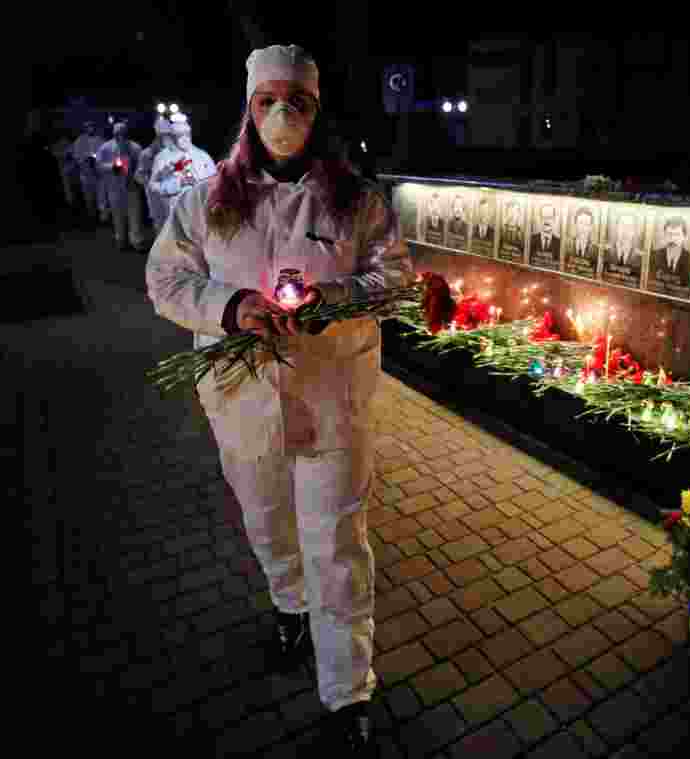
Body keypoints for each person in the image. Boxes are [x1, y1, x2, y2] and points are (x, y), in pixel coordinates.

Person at [145, 44, 413, 754]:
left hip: (332, 401)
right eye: (267, 100)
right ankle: (290, 606)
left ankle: (347, 692)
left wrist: (336, 297)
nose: (282, 113)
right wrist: (231, 307)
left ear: (318, 109)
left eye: (296, 99)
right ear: (248, 108)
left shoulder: (357, 200)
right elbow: (165, 282)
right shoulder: (207, 202)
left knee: (338, 544)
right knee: (268, 523)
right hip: (242, 402)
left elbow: (395, 280)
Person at [149, 118, 217, 221]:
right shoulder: (162, 157)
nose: (185, 138)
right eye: (180, 135)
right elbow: (153, 185)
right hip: (176, 212)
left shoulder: (203, 156)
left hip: (200, 210)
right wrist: (177, 184)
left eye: (187, 134)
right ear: (173, 137)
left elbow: (215, 181)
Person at [96, 122, 146, 251]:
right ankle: (120, 239)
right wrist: (112, 167)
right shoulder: (106, 147)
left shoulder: (135, 147)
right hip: (114, 186)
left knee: (134, 214)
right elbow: (99, 165)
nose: (120, 136)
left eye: (123, 133)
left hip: (131, 186)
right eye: (118, 133)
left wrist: (137, 178)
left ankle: (137, 240)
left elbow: (142, 166)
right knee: (117, 214)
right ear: (114, 133)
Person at [135, 118, 175, 231]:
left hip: (173, 194)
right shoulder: (147, 154)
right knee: (160, 226)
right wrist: (151, 181)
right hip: (156, 198)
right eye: (163, 135)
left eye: (169, 135)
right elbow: (139, 175)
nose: (167, 138)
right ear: (157, 136)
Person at [71, 121, 105, 221]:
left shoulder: (100, 140)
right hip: (85, 173)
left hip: (98, 174)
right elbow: (76, 156)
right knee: (88, 196)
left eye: (92, 127)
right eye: (87, 127)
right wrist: (85, 159)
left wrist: (95, 159)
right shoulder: (79, 141)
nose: (90, 129)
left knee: (100, 196)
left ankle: (102, 217)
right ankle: (90, 216)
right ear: (84, 128)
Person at [650, 216, 690, 282]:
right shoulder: (653, 256)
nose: (672, 239)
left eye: (677, 235)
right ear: (664, 235)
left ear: (684, 237)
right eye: (669, 234)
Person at [49, 130, 80, 211]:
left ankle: (72, 201)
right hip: (65, 168)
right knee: (68, 186)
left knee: (70, 185)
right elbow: (56, 153)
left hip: (70, 168)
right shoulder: (62, 143)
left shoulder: (70, 143)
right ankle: (70, 201)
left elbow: (73, 154)